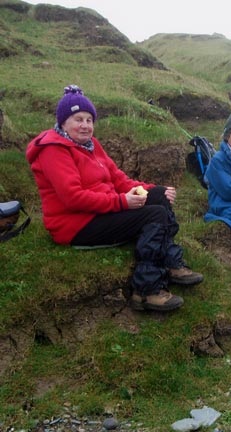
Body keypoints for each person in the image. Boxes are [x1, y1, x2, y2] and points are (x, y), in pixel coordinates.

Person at [26, 85, 203, 312]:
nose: (85, 125)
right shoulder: (54, 150)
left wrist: (155, 189)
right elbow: (73, 198)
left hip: (101, 210)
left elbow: (120, 180)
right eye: (78, 119)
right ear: (63, 123)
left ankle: (170, 262)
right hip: (75, 225)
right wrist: (121, 202)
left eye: (89, 120)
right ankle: (146, 290)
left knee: (159, 198)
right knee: (155, 215)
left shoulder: (91, 145)